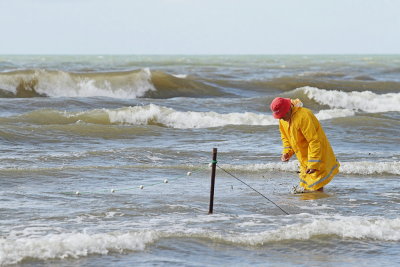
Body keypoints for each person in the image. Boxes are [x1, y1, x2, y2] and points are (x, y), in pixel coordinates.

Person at [270, 97, 340, 192]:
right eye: (279, 117)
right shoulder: (283, 120)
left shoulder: (303, 116)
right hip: (304, 157)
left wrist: (314, 163)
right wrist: (287, 152)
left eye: (282, 116)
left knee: (316, 185)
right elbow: (286, 138)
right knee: (307, 187)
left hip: (317, 154)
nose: (281, 118)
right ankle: (314, 203)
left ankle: (319, 204)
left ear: (288, 109)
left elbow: (314, 141)